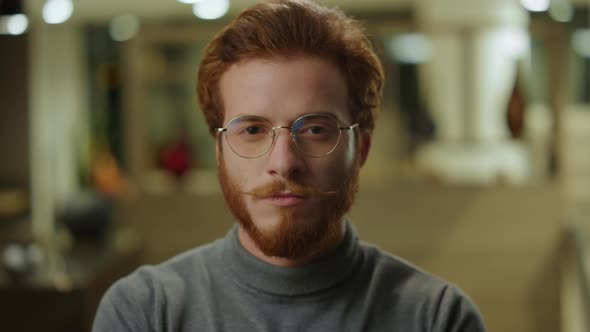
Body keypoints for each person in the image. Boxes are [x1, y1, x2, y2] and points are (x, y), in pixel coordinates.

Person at [92, 0, 487, 331]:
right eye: (252, 130)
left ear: (361, 148)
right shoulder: (145, 312)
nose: (283, 163)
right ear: (219, 150)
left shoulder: (436, 318)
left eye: (315, 129)